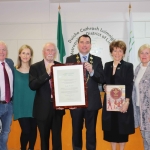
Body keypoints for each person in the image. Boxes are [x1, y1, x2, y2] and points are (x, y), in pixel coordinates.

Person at [66, 34, 105, 150]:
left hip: (92, 102)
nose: (84, 45)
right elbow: (67, 81)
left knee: (91, 131)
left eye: (87, 42)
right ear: (78, 45)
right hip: (76, 102)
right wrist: (68, 101)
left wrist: (92, 71)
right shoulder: (70, 59)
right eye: (82, 42)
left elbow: (102, 79)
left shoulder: (97, 60)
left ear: (90, 45)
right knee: (76, 130)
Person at [29, 42, 65, 150]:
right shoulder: (35, 67)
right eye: (48, 50)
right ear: (43, 52)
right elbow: (32, 85)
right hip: (42, 109)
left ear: (55, 53)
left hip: (58, 109)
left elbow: (65, 87)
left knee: (57, 140)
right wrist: (47, 73)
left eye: (52, 50)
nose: (50, 52)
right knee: (44, 140)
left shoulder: (61, 66)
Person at [102, 40, 135, 150]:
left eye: (120, 51)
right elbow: (103, 81)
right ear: (111, 52)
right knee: (111, 129)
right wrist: (104, 86)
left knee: (122, 130)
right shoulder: (107, 65)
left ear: (124, 53)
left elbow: (129, 85)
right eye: (115, 50)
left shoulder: (128, 66)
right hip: (110, 104)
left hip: (122, 104)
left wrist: (127, 102)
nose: (117, 53)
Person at [13, 45, 37, 150]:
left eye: (28, 53)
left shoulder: (35, 71)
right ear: (19, 54)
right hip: (20, 106)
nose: (25, 56)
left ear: (31, 56)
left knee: (33, 130)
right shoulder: (13, 71)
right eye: (23, 53)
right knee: (26, 130)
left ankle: (31, 148)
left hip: (34, 106)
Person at [132, 44, 150, 150]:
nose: (144, 55)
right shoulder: (138, 68)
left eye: (147, 53)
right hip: (140, 109)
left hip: (148, 111)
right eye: (142, 53)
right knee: (145, 137)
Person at [0, 41, 14, 150]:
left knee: (5, 132)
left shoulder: (10, 63)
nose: (1, 52)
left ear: (7, 52)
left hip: (9, 105)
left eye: (4, 49)